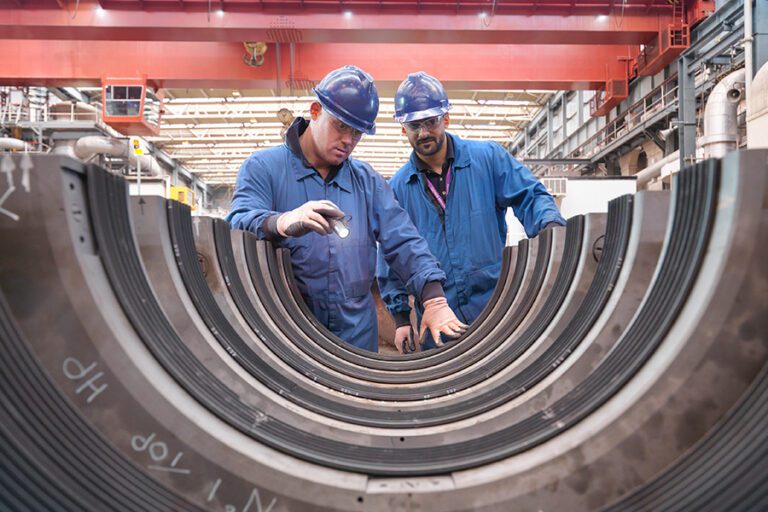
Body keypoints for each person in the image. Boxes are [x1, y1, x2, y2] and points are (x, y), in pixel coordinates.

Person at [227, 66, 466, 352]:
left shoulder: (367, 182)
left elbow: (403, 241)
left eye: (357, 132)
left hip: (355, 337)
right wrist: (281, 222)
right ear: (316, 111)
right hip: (288, 332)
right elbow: (238, 222)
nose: (348, 141)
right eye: (341, 126)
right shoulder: (263, 168)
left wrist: (434, 297)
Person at [377, 71, 566, 353]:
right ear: (403, 129)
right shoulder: (398, 188)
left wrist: (552, 230)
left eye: (431, 122)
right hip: (438, 317)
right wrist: (402, 317)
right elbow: (392, 255)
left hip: (494, 308)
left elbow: (530, 195)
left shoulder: (487, 159)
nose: (424, 133)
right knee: (444, 388)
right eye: (414, 125)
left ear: (446, 119)